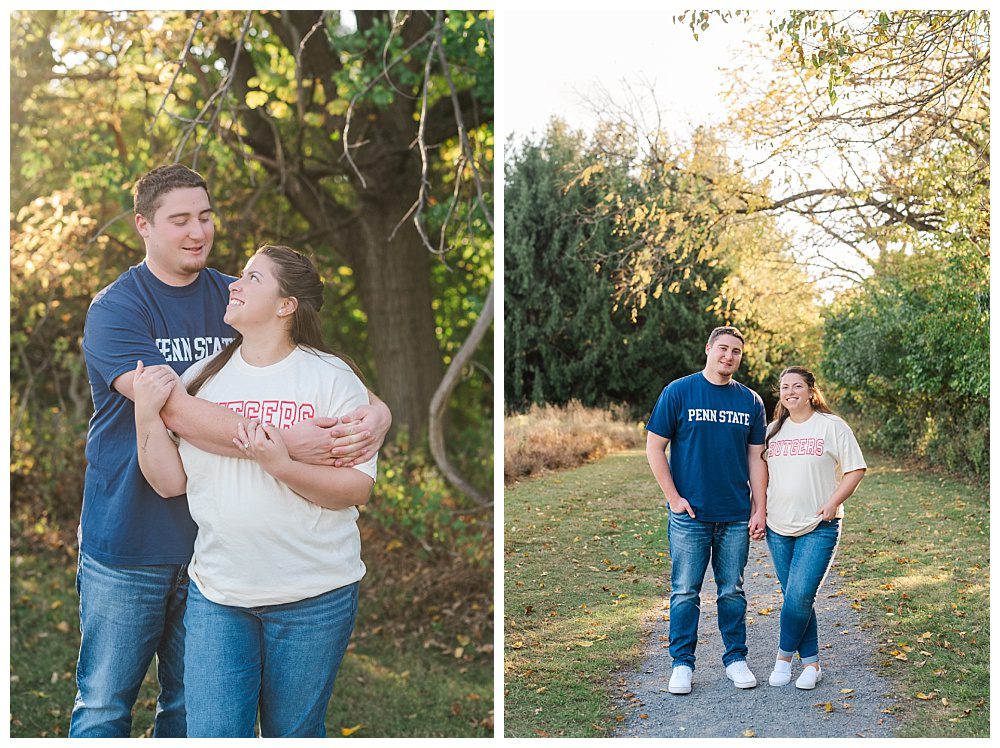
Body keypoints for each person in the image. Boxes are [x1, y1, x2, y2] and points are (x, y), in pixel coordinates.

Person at [70, 165, 390, 738]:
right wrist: (287, 446)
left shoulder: (231, 296)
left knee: (190, 714)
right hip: (131, 539)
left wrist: (380, 415)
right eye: (179, 220)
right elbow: (175, 412)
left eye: (205, 216)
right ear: (144, 225)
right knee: (104, 707)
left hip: (210, 550)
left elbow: (332, 377)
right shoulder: (117, 308)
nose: (198, 231)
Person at [133, 244, 375, 737]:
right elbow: (168, 481)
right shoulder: (201, 379)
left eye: (251, 278)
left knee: (293, 735)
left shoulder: (331, 378)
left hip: (313, 593)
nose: (233, 285)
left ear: (286, 305)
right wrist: (145, 415)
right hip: (219, 593)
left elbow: (354, 489)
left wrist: (281, 466)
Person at [645, 326, 768, 695]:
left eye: (736, 352)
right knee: (685, 591)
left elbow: (756, 458)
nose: (729, 357)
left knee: (732, 590)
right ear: (709, 349)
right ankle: (682, 664)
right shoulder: (678, 391)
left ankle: (735, 659)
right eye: (723, 349)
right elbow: (654, 447)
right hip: (690, 515)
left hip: (734, 514)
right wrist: (673, 497)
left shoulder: (750, 401)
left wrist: (759, 507)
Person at [762, 366, 866, 690]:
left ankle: (782, 658)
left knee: (801, 593)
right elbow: (762, 474)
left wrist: (833, 502)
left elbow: (855, 469)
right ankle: (812, 665)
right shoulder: (772, 431)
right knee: (795, 596)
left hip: (819, 525)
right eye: (784, 387)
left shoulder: (832, 426)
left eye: (797, 386)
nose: (790, 392)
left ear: (810, 391)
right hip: (777, 525)